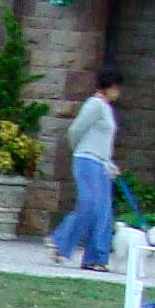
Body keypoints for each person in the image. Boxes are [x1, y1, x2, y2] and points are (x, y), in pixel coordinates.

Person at [48, 66, 121, 272]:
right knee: (89, 205)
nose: (118, 92)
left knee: (103, 211)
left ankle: (96, 258)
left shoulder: (107, 108)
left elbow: (104, 141)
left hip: (101, 163)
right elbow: (75, 131)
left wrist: (109, 163)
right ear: (110, 87)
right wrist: (79, 150)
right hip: (87, 160)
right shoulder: (95, 104)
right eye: (116, 87)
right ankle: (60, 240)